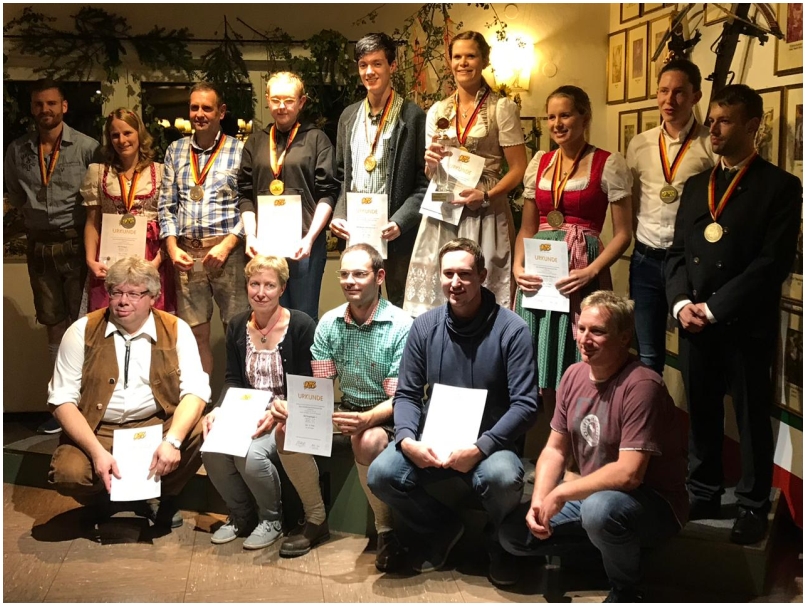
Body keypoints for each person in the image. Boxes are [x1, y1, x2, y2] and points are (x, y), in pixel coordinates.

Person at [666, 84, 802, 545]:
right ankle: (703, 492)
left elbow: (772, 263)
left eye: (724, 121)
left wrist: (715, 307)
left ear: (752, 125)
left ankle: (752, 504)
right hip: (694, 321)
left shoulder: (780, 187)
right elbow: (677, 254)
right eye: (712, 121)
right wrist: (681, 303)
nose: (714, 129)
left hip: (744, 323)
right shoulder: (695, 186)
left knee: (750, 416)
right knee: (701, 412)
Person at [368, 238, 539, 585]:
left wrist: (481, 447)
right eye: (448, 274)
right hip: (433, 438)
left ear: (482, 276)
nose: (455, 282)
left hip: (490, 443)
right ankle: (441, 528)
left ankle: (499, 544)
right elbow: (407, 394)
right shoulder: (424, 326)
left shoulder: (512, 330)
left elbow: (527, 405)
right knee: (381, 474)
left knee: (502, 478)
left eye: (464, 274)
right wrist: (406, 440)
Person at [499, 291, 688, 603]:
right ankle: (605, 552)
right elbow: (555, 449)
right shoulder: (573, 375)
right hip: (592, 495)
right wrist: (540, 499)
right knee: (513, 534)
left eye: (597, 331)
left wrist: (561, 493)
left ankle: (626, 589)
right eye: (581, 328)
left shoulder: (642, 385)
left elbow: (629, 475)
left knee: (599, 511)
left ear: (624, 337)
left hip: (652, 502)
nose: (584, 339)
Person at [47, 257, 209, 529]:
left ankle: (162, 495)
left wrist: (172, 441)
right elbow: (61, 400)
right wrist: (96, 452)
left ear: (153, 297)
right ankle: (105, 498)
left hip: (156, 424)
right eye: (116, 292)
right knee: (68, 473)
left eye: (134, 294)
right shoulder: (81, 331)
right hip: (100, 428)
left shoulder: (176, 329)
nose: (123, 301)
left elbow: (195, 391)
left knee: (206, 428)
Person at [513, 85, 632, 426]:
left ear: (585, 116)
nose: (557, 124)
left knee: (576, 353)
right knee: (542, 356)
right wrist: (518, 267)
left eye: (565, 115)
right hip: (541, 272)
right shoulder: (540, 163)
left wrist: (591, 271)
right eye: (551, 116)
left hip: (580, 269)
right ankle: (549, 436)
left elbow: (624, 234)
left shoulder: (607, 163)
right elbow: (527, 228)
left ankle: (582, 434)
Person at [404, 31, 527, 315]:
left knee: (480, 294)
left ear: (484, 60)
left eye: (470, 56)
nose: (463, 63)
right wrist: (430, 161)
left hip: (484, 210)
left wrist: (486, 195)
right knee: (439, 294)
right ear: (450, 61)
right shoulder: (438, 110)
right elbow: (432, 172)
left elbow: (519, 168)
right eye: (457, 56)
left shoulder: (502, 108)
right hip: (443, 209)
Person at [308, 243, 412, 571]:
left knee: (366, 439)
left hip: (387, 414)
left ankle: (386, 532)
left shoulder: (401, 325)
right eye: (345, 274)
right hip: (346, 407)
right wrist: (301, 408)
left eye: (359, 274)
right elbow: (321, 386)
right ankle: (314, 518)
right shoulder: (328, 322)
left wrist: (365, 419)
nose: (350, 281)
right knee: (286, 428)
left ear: (379, 277)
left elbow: (400, 399)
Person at [4, 79, 100, 434]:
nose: (45, 110)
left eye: (51, 103)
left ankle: (89, 404)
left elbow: (98, 202)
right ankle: (62, 405)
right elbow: (14, 197)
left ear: (64, 107)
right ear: (32, 108)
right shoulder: (18, 150)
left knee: (83, 324)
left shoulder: (88, 148)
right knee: (53, 324)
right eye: (38, 104)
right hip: (39, 247)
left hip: (76, 244)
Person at [202, 255, 316, 550]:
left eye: (269, 285)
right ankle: (241, 515)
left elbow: (309, 385)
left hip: (287, 413)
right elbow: (232, 379)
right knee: (212, 450)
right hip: (247, 411)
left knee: (250, 455)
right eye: (254, 284)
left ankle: (272, 519)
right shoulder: (237, 325)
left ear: (282, 288)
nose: (261, 292)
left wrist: (281, 411)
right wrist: (220, 408)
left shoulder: (301, 324)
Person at [626, 59, 716, 375]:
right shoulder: (639, 143)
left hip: (690, 263)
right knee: (648, 354)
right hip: (645, 260)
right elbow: (633, 199)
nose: (669, 100)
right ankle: (649, 408)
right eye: (663, 91)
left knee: (696, 354)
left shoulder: (709, 144)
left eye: (679, 92)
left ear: (696, 96)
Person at [330, 32, 429, 307]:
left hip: (396, 236)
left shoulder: (412, 117)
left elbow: (424, 182)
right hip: (358, 234)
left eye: (377, 63)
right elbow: (342, 178)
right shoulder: (348, 117)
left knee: (400, 308)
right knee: (360, 305)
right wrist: (339, 215)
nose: (369, 72)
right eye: (363, 65)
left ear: (392, 66)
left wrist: (401, 221)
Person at [158, 81, 247, 375]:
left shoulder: (239, 150)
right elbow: (166, 205)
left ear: (221, 112)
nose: (199, 114)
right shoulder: (175, 150)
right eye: (194, 107)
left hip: (228, 254)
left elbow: (249, 205)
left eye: (207, 108)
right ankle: (201, 400)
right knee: (195, 336)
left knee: (237, 333)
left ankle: (241, 398)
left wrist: (228, 244)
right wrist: (172, 248)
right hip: (187, 255)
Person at [238, 72, 340, 321]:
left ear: (301, 102)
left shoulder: (317, 139)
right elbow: (245, 194)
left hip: (304, 245)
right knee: (267, 315)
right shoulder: (255, 142)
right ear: (267, 100)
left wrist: (310, 238)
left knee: (303, 316)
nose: (281, 106)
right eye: (275, 100)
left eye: (288, 100)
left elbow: (328, 193)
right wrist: (251, 235)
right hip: (265, 245)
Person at [81, 108, 175, 313]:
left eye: (127, 133)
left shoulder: (160, 172)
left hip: (151, 258)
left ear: (139, 134)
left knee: (150, 316)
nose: (122, 140)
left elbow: (168, 220)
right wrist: (90, 260)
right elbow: (92, 222)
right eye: (115, 135)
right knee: (113, 315)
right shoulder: (98, 173)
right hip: (110, 259)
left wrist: (157, 261)